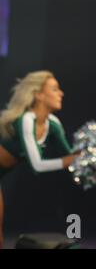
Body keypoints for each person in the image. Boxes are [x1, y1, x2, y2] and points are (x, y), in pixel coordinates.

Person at [0, 71, 79, 248]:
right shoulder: (26, 120)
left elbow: (70, 157)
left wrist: (91, 159)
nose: (61, 93)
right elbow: (37, 166)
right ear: (38, 95)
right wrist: (70, 160)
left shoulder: (53, 123)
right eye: (54, 89)